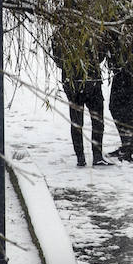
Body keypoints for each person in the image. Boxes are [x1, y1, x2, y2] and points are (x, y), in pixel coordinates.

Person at [51, 25, 111, 167]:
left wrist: (71, 66)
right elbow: (100, 54)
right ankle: (97, 156)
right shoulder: (93, 28)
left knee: (76, 121)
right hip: (92, 80)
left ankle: (80, 157)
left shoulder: (60, 32)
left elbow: (58, 59)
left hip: (72, 82)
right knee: (97, 120)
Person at [102, 25, 133, 162]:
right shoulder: (111, 22)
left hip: (132, 71)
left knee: (128, 110)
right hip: (121, 72)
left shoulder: (128, 23)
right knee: (115, 107)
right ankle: (127, 145)